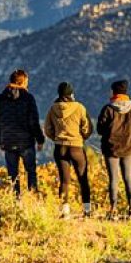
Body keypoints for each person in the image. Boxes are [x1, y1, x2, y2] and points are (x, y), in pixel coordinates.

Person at [0, 69, 45, 198]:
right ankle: (33, 200)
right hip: (26, 142)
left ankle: (16, 203)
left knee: (13, 175)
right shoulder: (28, 98)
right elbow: (33, 121)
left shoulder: (0, 99)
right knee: (31, 172)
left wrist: (0, 140)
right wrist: (40, 139)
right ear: (23, 82)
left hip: (8, 141)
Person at [44, 82, 94, 218]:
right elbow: (88, 127)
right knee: (83, 179)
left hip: (60, 148)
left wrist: (55, 137)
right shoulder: (79, 107)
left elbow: (47, 129)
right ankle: (87, 211)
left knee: (64, 181)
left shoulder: (53, 108)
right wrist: (83, 136)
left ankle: (64, 212)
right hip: (76, 147)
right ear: (71, 94)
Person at [97, 79, 131, 217]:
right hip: (129, 148)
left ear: (114, 92)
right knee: (128, 178)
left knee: (113, 179)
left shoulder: (108, 109)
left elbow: (100, 129)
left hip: (111, 149)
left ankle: (113, 210)